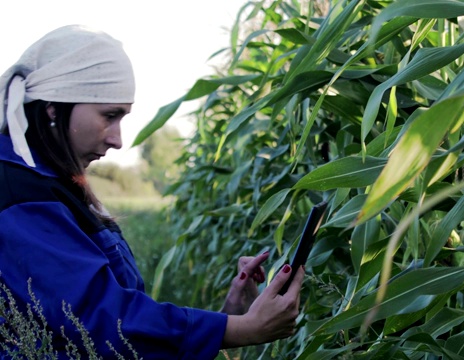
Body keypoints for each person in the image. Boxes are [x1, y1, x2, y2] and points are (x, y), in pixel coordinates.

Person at [0, 25, 304, 358]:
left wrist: (230, 316)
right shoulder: (18, 193)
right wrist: (240, 329)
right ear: (53, 108)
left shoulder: (48, 186)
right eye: (110, 116)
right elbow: (101, 321)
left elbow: (117, 329)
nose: (117, 139)